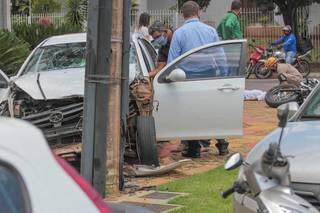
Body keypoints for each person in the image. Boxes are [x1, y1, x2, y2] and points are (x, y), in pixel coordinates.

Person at [167, 1, 221, 158]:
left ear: (183, 15)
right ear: (199, 13)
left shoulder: (179, 33)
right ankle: (219, 142)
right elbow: (220, 55)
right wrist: (224, 74)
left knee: (188, 112)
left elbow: (172, 61)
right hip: (209, 76)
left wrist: (169, 78)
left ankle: (193, 147)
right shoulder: (210, 31)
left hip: (187, 78)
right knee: (208, 110)